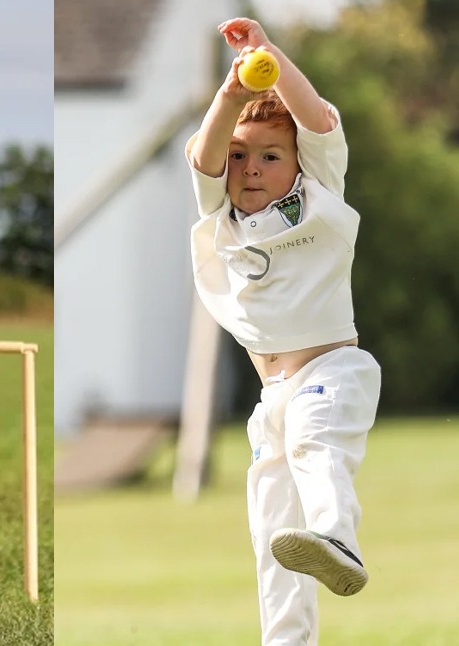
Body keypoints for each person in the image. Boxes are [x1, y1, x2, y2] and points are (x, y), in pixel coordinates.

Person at [185, 18, 381, 645]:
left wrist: (266, 55)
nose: (249, 168)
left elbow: (318, 120)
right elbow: (203, 154)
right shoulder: (222, 216)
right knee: (272, 530)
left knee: (311, 442)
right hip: (272, 394)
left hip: (333, 373)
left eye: (270, 156)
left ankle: (338, 539)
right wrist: (230, 97)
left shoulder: (318, 190)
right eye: (240, 157)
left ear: (298, 164)